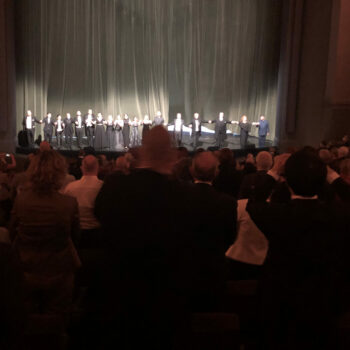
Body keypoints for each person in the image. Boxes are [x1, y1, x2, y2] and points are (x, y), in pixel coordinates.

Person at [246, 151, 350, 350]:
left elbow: (254, 201)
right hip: (324, 305)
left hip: (279, 306)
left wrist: (273, 171)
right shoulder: (339, 216)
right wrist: (331, 174)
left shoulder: (277, 215)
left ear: (287, 181)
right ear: (322, 181)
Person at [10, 150, 80, 316]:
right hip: (58, 270)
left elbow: (13, 231)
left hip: (27, 268)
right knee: (56, 318)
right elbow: (76, 236)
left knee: (28, 317)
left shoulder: (22, 200)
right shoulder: (68, 203)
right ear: (60, 173)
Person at [187, 151, 237, 310]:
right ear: (216, 172)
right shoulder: (227, 203)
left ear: (192, 171)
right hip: (215, 269)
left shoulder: (178, 198)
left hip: (184, 269)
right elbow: (230, 238)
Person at [63, 155, 103, 248]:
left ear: (82, 168)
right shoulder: (103, 187)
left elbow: (66, 211)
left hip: (76, 234)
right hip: (98, 233)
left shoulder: (70, 187)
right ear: (98, 167)